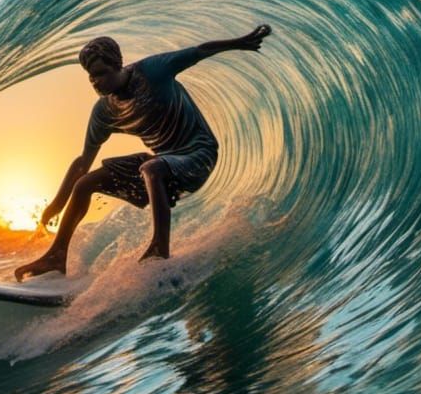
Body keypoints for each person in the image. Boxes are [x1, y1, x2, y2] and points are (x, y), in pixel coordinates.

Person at [14, 24, 272, 280]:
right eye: (91, 76)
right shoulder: (104, 112)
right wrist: (56, 205)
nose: (96, 82)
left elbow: (199, 51)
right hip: (163, 165)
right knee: (85, 183)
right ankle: (56, 255)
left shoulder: (152, 71)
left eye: (101, 73)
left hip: (198, 154)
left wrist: (240, 42)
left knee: (150, 167)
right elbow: (83, 162)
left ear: (117, 65)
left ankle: (159, 250)